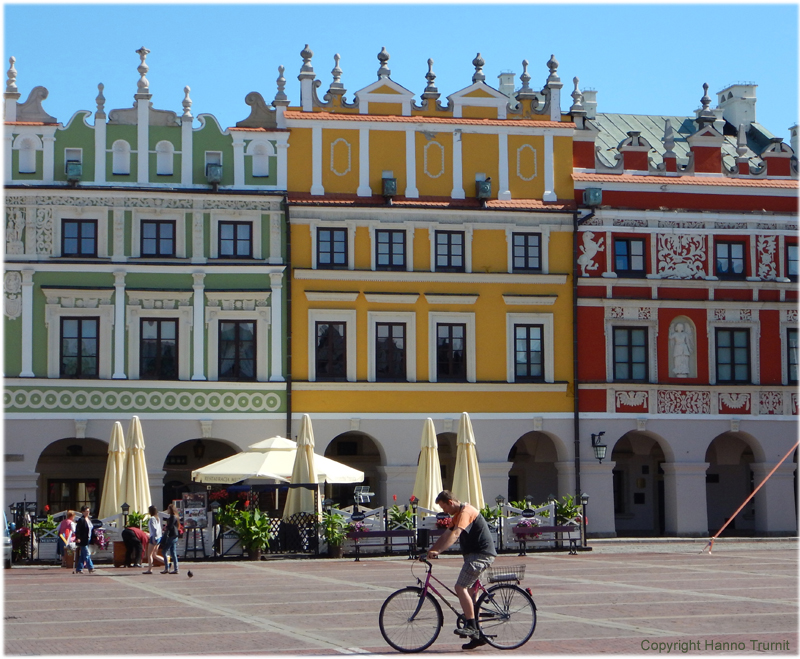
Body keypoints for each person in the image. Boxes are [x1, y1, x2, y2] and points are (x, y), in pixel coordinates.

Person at [427, 490, 497, 650]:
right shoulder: (457, 515)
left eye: (444, 508)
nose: (444, 512)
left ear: (450, 502)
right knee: (472, 593)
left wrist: (439, 552)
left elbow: (456, 534)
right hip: (474, 555)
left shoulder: (466, 512)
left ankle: (471, 626)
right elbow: (446, 535)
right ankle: (477, 636)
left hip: (480, 555)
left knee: (460, 587)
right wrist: (429, 551)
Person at [74, 506, 96, 574]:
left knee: (83, 555)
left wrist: (95, 536)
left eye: (88, 511)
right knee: (86, 554)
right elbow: (78, 530)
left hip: (88, 539)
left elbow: (91, 529)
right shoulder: (81, 520)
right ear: (82, 512)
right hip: (83, 539)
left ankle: (79, 568)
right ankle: (91, 567)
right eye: (86, 511)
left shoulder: (89, 519)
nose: (87, 512)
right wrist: (78, 538)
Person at [160, 504, 180, 575]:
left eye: (168, 509)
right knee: (173, 552)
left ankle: (167, 568)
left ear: (170, 510)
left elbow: (170, 527)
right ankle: (176, 568)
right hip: (175, 535)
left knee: (164, 551)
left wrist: (166, 528)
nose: (167, 510)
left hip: (171, 536)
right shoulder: (175, 517)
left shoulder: (172, 517)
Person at [144, 505, 162, 574]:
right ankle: (167, 563)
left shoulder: (152, 519)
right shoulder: (158, 518)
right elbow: (158, 529)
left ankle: (150, 569)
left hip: (154, 537)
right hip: (159, 537)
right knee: (155, 554)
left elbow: (154, 529)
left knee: (149, 554)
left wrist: (153, 537)